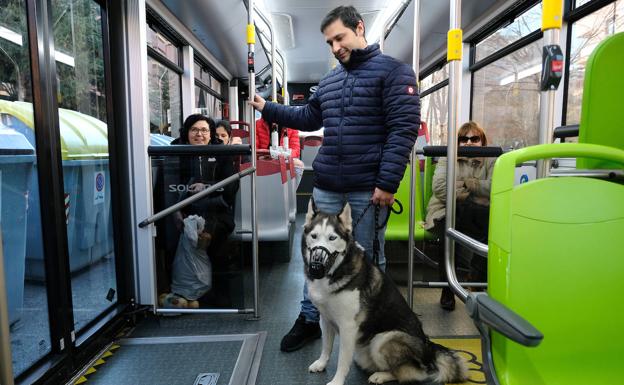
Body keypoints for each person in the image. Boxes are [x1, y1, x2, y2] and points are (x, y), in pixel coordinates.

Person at [250, 5, 419, 352]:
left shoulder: (395, 73)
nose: (335, 47)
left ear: (359, 28)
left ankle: (369, 323)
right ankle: (310, 318)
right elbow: (308, 117)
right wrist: (267, 108)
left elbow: (403, 131)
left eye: (339, 38)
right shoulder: (330, 81)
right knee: (315, 252)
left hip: (367, 186)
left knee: (367, 257)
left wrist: (387, 183)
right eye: (329, 42)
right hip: (327, 183)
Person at [162, 114, 240, 307]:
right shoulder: (175, 152)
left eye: (204, 130)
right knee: (173, 236)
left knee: (210, 237)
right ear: (186, 132)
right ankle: (183, 292)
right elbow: (167, 187)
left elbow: (230, 186)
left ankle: (214, 295)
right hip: (183, 212)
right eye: (194, 130)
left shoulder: (221, 153)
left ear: (211, 133)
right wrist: (177, 213)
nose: (199, 134)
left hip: (215, 211)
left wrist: (207, 187)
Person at [423, 121, 494, 311]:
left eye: (474, 138)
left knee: (494, 231)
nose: (469, 143)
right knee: (448, 230)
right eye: (464, 139)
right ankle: (448, 288)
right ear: (458, 142)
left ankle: (476, 279)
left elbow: (495, 187)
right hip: (447, 210)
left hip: (478, 215)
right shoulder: (448, 158)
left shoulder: (492, 159)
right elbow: (440, 188)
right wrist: (474, 192)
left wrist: (466, 184)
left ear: (482, 141)